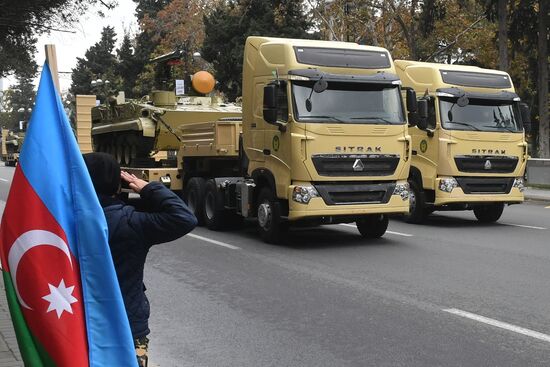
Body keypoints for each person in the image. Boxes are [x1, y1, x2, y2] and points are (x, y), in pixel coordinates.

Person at [83, 152, 197, 367]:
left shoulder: (61, 221)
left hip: (76, 319)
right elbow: (184, 218)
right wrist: (147, 188)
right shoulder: (131, 222)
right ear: (119, 185)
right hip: (126, 322)